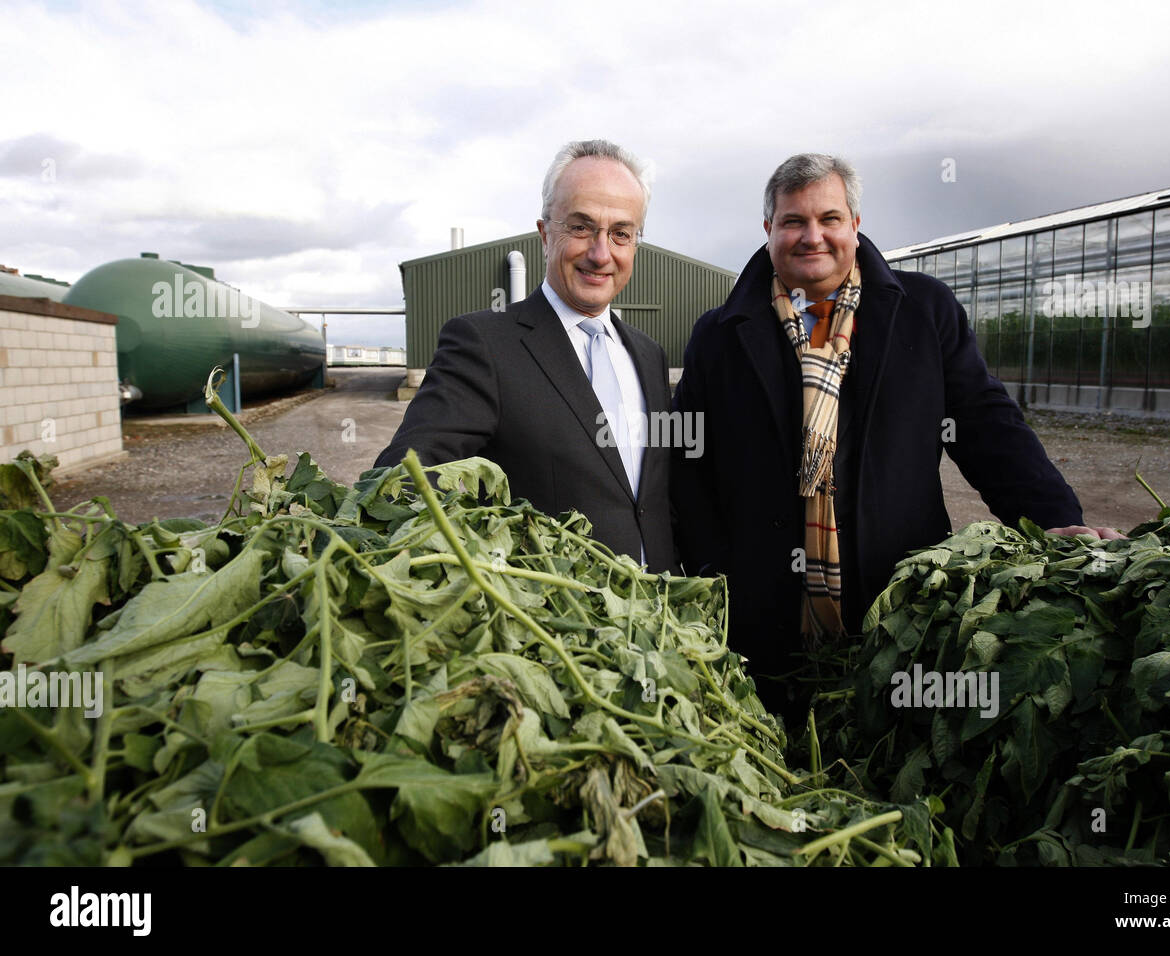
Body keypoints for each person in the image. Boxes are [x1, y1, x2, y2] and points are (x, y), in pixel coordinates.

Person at [671, 152, 1118, 717]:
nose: (813, 237)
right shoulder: (719, 334)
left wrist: (1053, 519)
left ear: (855, 226)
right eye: (793, 222)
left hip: (902, 608)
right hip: (764, 620)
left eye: (829, 219)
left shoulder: (921, 311)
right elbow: (688, 460)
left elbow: (985, 424)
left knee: (888, 764)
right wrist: (718, 573)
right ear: (768, 231)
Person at [374, 140, 675, 572]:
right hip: (555, 623)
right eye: (581, 227)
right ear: (545, 234)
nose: (600, 252)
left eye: (620, 234)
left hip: (658, 617)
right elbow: (405, 483)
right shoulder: (483, 345)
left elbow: (653, 498)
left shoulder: (648, 355)